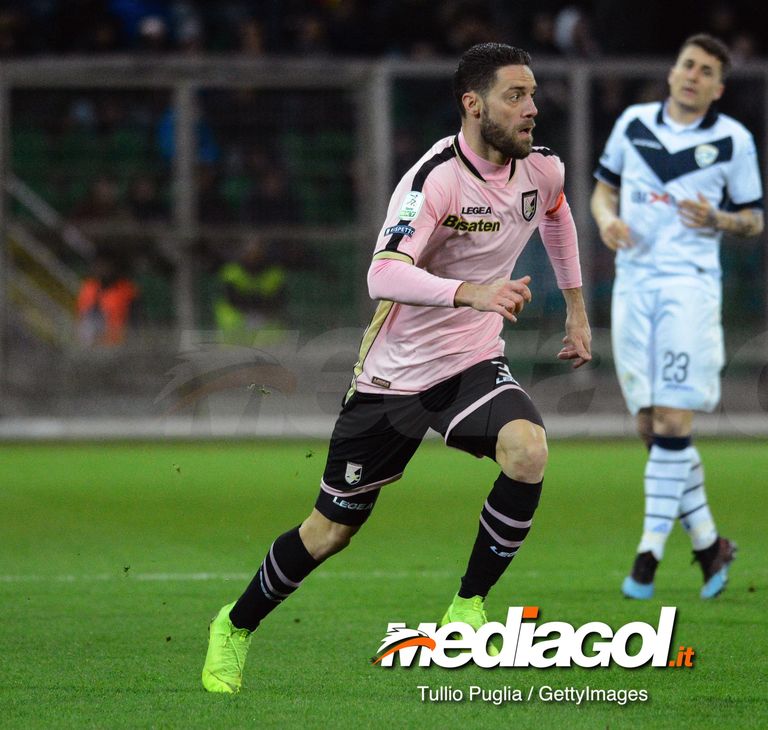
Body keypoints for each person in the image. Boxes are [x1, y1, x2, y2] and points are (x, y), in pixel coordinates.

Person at [202, 42, 591, 693]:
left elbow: (556, 215)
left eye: (533, 95)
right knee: (329, 533)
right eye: (515, 96)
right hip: (394, 381)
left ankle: (467, 607)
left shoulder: (541, 170)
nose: (532, 109)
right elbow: (382, 274)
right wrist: (472, 293)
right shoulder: (434, 179)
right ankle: (234, 627)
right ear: (473, 105)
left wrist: (576, 309)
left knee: (527, 450)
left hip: (469, 363)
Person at [590, 33, 763, 601]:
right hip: (632, 287)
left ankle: (647, 557)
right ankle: (710, 543)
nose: (693, 74)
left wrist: (718, 218)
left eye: (706, 70)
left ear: (718, 87)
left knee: (672, 422)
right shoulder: (634, 123)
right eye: (686, 63)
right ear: (672, 71)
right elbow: (601, 192)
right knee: (650, 427)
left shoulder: (733, 140)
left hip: (688, 288)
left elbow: (754, 220)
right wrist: (605, 220)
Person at [213, 236, 286, 345]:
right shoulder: (232, 271)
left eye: (257, 250)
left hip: (267, 329)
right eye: (250, 250)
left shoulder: (274, 272)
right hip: (235, 328)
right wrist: (250, 312)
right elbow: (231, 297)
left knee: (274, 336)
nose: (253, 255)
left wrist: (262, 312)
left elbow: (280, 299)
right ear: (242, 251)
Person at [76, 255, 139, 347]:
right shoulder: (88, 287)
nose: (101, 269)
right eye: (98, 265)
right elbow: (81, 315)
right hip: (89, 344)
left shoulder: (127, 290)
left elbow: (135, 320)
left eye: (104, 266)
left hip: (116, 345)